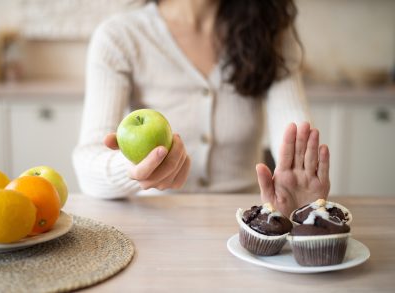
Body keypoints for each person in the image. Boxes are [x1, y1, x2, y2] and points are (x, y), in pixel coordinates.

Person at [73, 0, 330, 217]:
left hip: (247, 224)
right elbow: (88, 168)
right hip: (156, 225)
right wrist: (134, 167)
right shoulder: (119, 37)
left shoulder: (270, 32)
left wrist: (300, 186)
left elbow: (299, 143)